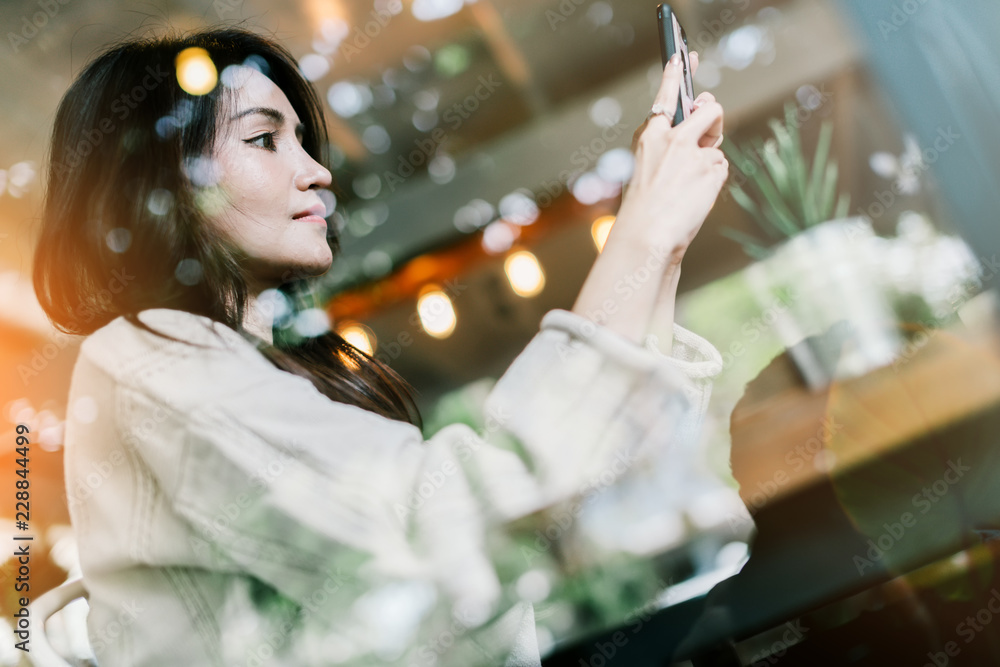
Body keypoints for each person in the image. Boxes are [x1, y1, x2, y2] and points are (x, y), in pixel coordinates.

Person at [32, 25, 727, 667]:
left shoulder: (266, 373)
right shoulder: (141, 360)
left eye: (302, 140)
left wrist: (661, 251)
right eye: (264, 140)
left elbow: (508, 576)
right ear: (166, 185)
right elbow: (446, 529)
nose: (317, 171)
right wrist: (643, 232)